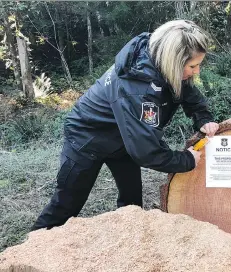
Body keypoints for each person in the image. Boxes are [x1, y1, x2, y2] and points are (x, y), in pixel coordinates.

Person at [32, 20, 219, 230]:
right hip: (87, 138)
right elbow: (147, 152)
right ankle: (27, 252)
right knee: (67, 204)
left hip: (123, 138)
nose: (196, 71)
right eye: (192, 66)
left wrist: (203, 117)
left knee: (131, 204)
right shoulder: (139, 88)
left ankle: (129, 245)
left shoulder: (161, 59)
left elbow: (187, 91)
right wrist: (186, 160)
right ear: (173, 61)